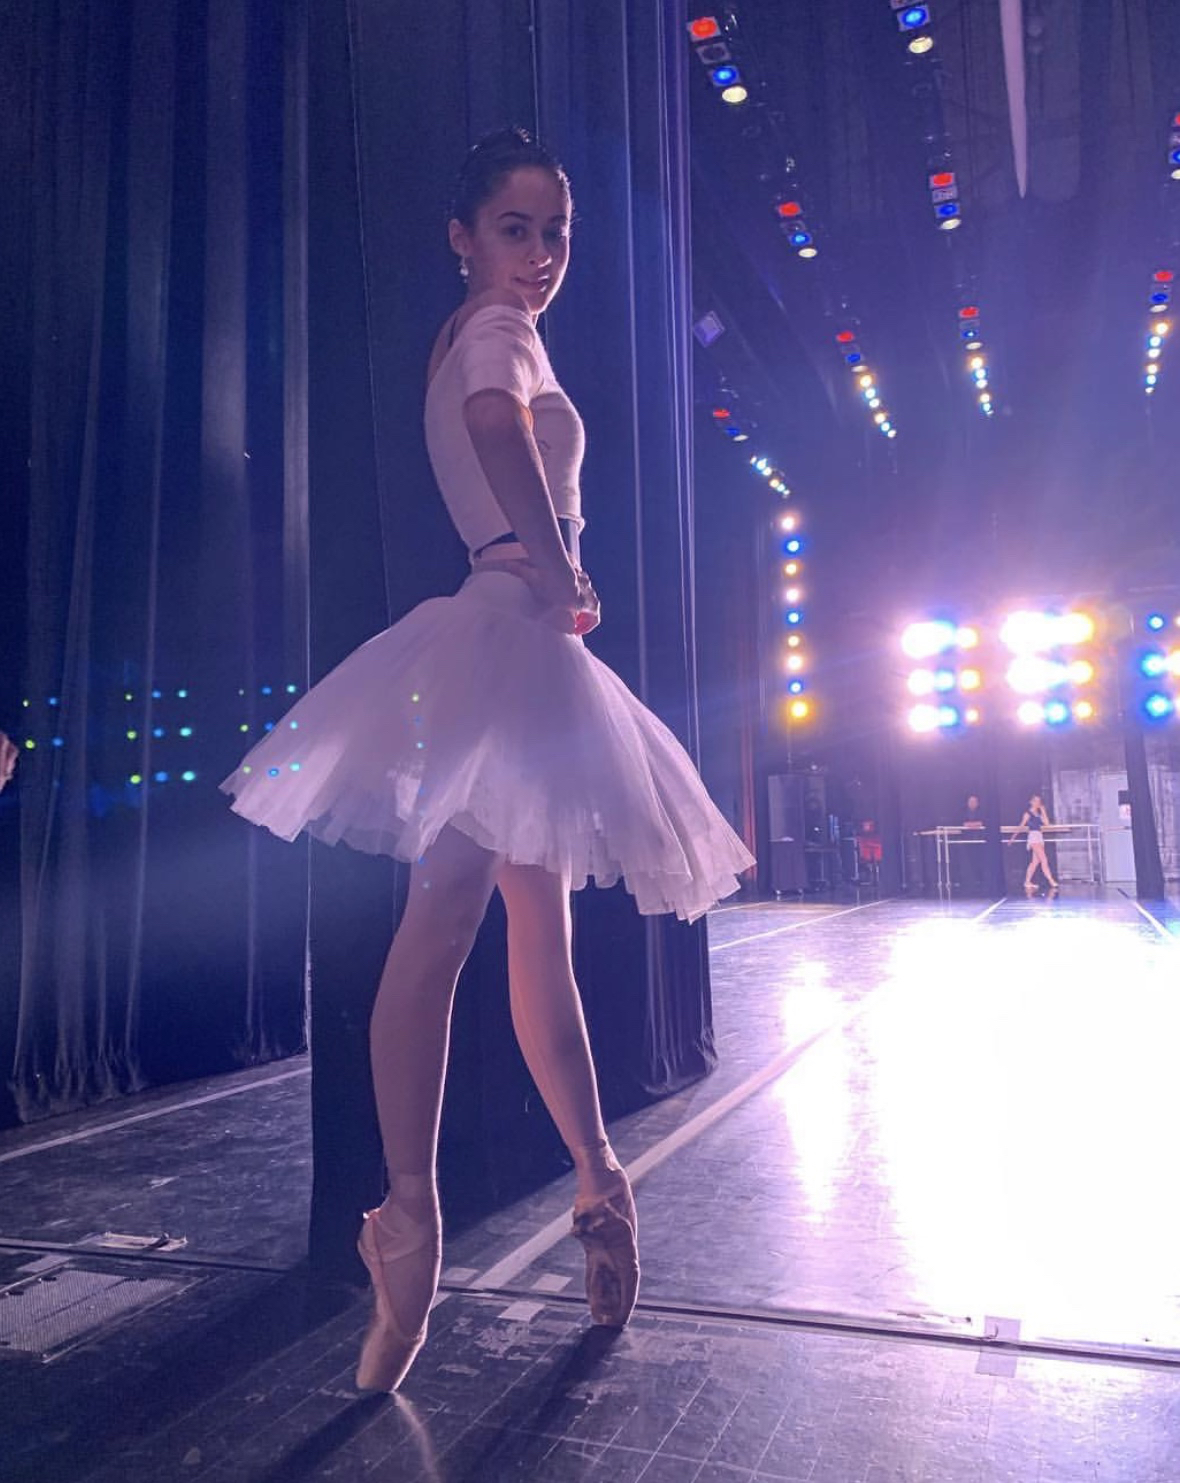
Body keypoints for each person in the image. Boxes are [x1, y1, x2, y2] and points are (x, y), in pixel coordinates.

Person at [220, 128, 755, 1393]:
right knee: (459, 921)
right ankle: (424, 1215)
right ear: (463, 236)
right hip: (505, 641)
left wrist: (553, 562)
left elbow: (500, 447)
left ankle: (583, 1186)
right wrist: (561, 564)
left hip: (518, 652)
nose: (542, 254)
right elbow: (494, 430)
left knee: (526, 934)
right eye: (515, 228)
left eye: (556, 230)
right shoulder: (493, 336)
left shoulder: (495, 331)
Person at [1010, 793, 1058, 892]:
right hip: (1033, 837)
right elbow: (1021, 826)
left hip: (1039, 837)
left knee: (1035, 862)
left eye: (1039, 801)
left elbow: (1047, 824)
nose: (1037, 803)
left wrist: (1043, 811)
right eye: (1035, 801)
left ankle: (1027, 881)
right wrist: (1012, 838)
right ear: (1031, 802)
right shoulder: (1028, 813)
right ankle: (1051, 880)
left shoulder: (1039, 814)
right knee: (1044, 859)